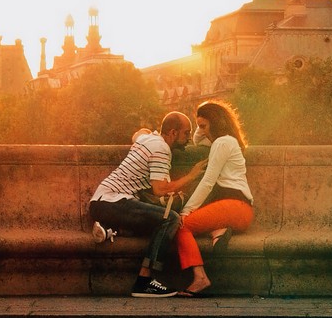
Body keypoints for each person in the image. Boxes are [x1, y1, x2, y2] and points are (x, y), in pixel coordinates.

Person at [88, 111, 193, 296]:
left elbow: (137, 134)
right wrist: (192, 176)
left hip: (102, 202)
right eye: (186, 133)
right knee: (171, 219)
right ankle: (145, 281)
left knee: (153, 221)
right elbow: (159, 190)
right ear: (173, 133)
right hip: (115, 201)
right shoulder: (162, 149)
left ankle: (110, 230)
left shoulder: (148, 138)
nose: (189, 138)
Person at [168, 99, 253, 297]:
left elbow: (207, 181)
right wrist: (201, 122)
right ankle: (219, 230)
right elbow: (198, 141)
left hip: (233, 206)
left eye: (204, 126)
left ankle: (200, 277)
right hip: (240, 209)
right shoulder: (227, 141)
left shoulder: (222, 142)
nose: (202, 131)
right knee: (197, 222)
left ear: (216, 122)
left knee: (181, 225)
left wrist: (186, 211)